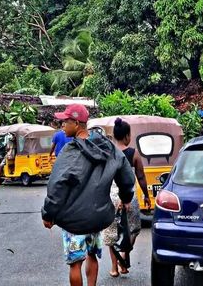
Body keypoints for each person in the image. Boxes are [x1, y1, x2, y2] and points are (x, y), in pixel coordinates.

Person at [42, 104, 135, 286]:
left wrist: (48, 214)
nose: (62, 125)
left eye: (65, 121)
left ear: (76, 124)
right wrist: (126, 198)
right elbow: (126, 176)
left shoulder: (69, 152)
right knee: (92, 255)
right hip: (97, 217)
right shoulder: (107, 147)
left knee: (75, 264)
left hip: (73, 220)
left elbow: (56, 187)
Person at [102, 118, 151, 278]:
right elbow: (141, 177)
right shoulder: (133, 153)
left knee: (111, 233)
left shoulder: (107, 153)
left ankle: (115, 268)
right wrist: (147, 195)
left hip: (112, 199)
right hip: (129, 198)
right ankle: (124, 258)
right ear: (127, 136)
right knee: (134, 229)